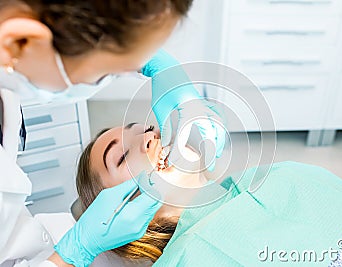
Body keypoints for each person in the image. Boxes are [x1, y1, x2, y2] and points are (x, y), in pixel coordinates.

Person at [0, 1, 226, 266]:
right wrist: (75, 252)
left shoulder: (282, 180)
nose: (149, 136)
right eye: (120, 157)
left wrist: (153, 63)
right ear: (20, 42)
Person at [75, 124, 342, 266]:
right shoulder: (187, 257)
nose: (150, 135)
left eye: (143, 128)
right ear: (112, 214)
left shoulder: (267, 177)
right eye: (120, 156)